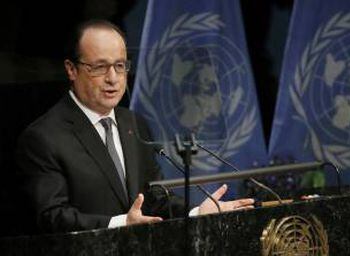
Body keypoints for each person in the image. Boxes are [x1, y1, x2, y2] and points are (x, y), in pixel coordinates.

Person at [15, 19, 254, 234]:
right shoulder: (44, 137)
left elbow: (154, 200)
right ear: (71, 69)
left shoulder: (133, 123)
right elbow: (51, 217)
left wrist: (196, 213)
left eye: (120, 66)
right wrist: (119, 223)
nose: (113, 78)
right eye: (99, 67)